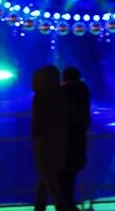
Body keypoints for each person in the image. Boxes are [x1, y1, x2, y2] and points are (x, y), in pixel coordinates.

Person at [30, 66, 74, 211]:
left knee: (49, 178)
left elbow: (38, 122)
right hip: (61, 141)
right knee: (48, 177)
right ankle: (39, 207)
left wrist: (35, 134)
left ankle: (61, 208)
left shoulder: (41, 95)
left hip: (44, 143)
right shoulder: (61, 93)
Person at [60, 67, 91, 209]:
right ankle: (70, 204)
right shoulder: (83, 91)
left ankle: (66, 205)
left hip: (64, 140)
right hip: (79, 138)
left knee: (63, 176)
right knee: (71, 174)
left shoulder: (62, 92)